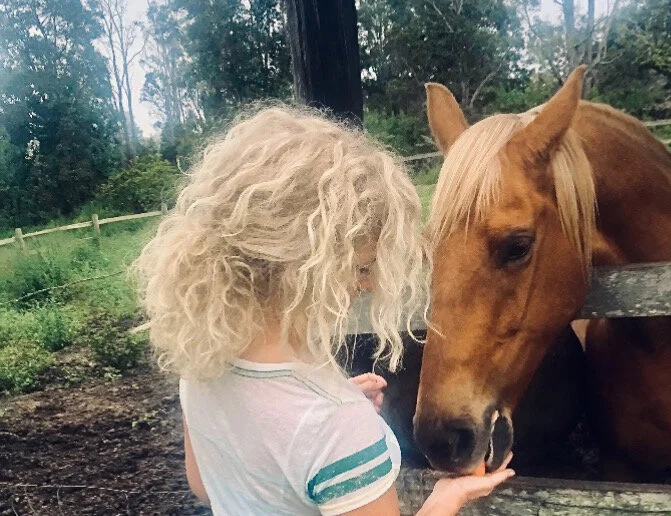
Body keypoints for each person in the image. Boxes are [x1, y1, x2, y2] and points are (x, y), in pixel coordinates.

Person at [133, 105, 514, 515]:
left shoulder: (201, 362)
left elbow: (205, 487)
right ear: (308, 264)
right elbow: (310, 434)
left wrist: (324, 407)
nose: (368, 285)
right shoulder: (340, 428)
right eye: (362, 268)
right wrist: (446, 499)